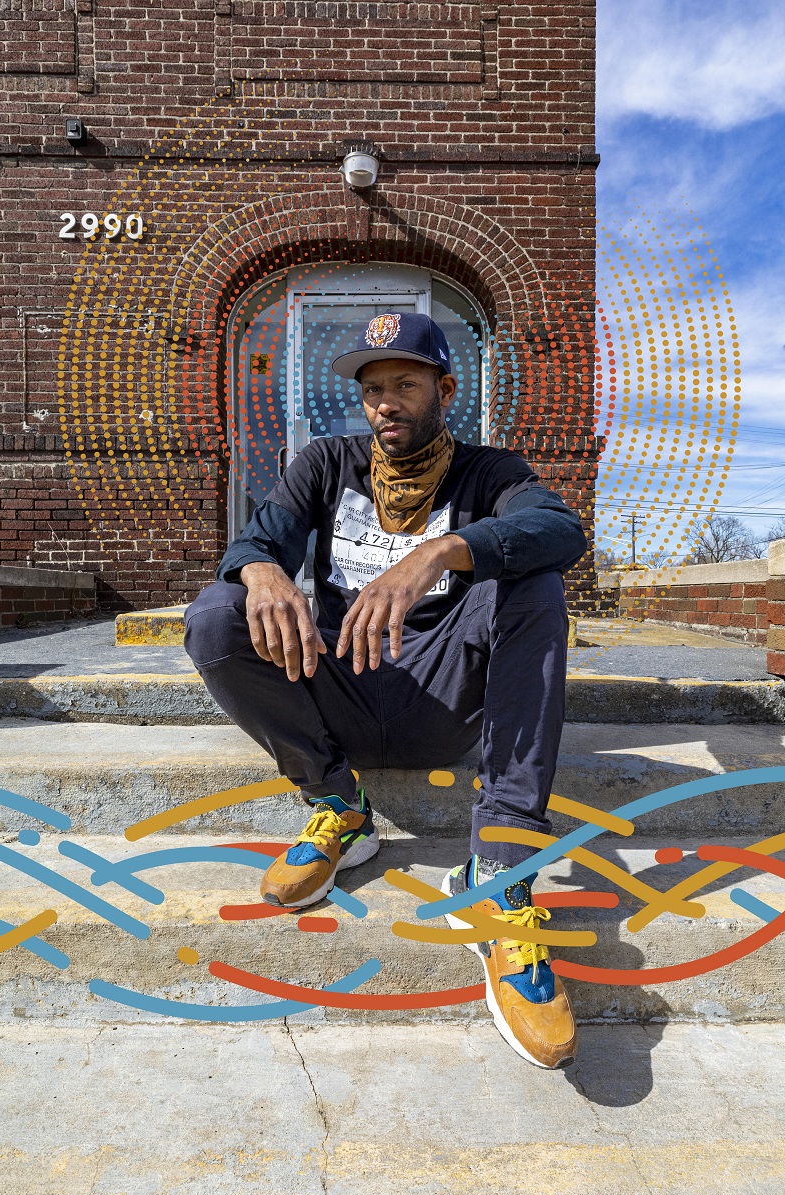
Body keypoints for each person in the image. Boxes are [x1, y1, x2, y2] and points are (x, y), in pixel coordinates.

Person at [184, 312, 588, 1067]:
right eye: (373, 389)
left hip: (442, 692)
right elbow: (259, 536)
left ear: (445, 389)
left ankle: (500, 871)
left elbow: (562, 531)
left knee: (531, 586)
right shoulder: (325, 463)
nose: (386, 403)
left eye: (405, 383)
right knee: (216, 614)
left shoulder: (491, 472)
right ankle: (339, 805)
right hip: (340, 680)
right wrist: (262, 570)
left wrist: (445, 550)